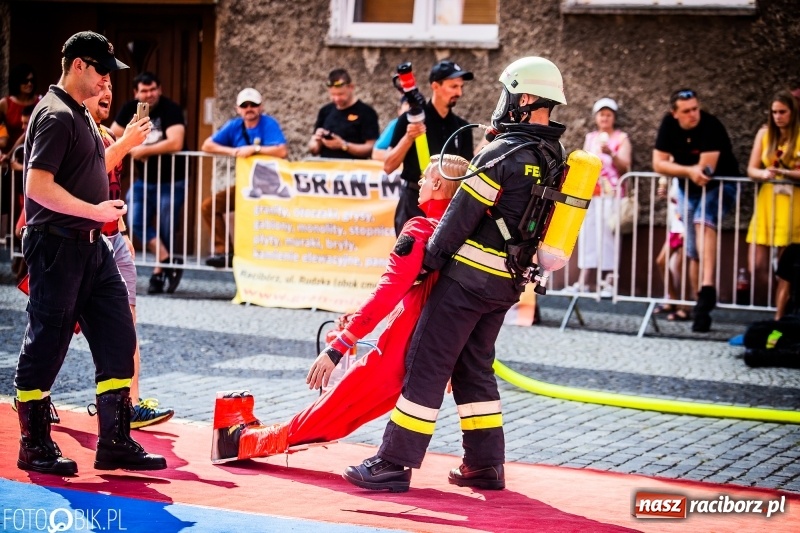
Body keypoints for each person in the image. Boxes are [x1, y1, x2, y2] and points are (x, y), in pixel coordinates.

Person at [343, 56, 568, 493]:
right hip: (507, 284)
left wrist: (424, 264)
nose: (502, 103)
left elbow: (459, 217)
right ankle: (484, 465)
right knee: (474, 368)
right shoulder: (552, 154)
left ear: (523, 98)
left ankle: (393, 463)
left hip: (465, 281)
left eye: (507, 95)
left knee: (426, 363)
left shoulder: (503, 152)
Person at [211, 155, 467, 462]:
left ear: (438, 184)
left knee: (338, 408)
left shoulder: (420, 229)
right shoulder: (465, 238)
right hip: (434, 346)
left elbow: (387, 292)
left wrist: (339, 346)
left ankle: (239, 443)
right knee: (344, 414)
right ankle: (252, 440)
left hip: (400, 344)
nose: (420, 183)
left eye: (425, 177)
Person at [14, 30, 165, 476]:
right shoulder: (57, 114)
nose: (107, 82)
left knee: (119, 335)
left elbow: (90, 168)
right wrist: (95, 209)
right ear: (78, 65)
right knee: (47, 344)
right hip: (57, 244)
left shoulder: (78, 112)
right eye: (102, 71)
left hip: (91, 244)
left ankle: (115, 442)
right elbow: (37, 187)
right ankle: (34, 445)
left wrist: (102, 214)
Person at [87, 81, 175, 428]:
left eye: (109, 88)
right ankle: (31, 392)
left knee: (127, 324)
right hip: (78, 239)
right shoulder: (72, 130)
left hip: (113, 238)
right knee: (57, 326)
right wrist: (127, 143)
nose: (107, 94)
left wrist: (123, 232)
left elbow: (112, 186)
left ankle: (131, 404)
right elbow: (88, 171)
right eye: (99, 87)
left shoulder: (108, 134)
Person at [652, 89, 739, 333]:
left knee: (703, 219)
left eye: (695, 108)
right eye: (687, 111)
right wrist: (687, 172)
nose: (693, 114)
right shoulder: (668, 124)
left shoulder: (711, 126)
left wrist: (682, 170)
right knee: (691, 249)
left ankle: (708, 288)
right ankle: (697, 304)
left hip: (721, 184)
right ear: (675, 113)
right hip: (688, 188)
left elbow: (704, 173)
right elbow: (657, 164)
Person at [111, 72, 186, 295]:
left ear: (159, 89)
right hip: (144, 180)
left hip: (172, 180)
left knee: (166, 225)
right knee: (134, 219)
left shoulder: (170, 109)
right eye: (144, 91)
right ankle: (165, 258)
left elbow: (176, 142)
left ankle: (158, 271)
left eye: (153, 89)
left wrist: (143, 150)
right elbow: (112, 134)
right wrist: (129, 145)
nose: (149, 94)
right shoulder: (129, 109)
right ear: (136, 93)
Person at [385, 59, 475, 235]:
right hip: (413, 201)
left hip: (448, 207)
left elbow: (467, 171)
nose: (459, 92)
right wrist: (409, 137)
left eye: (460, 87)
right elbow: (388, 166)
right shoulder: (409, 119)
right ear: (435, 86)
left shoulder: (462, 127)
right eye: (453, 87)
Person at [200, 87, 288, 268]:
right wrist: (232, 151)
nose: (249, 108)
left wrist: (254, 150)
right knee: (209, 206)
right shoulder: (234, 126)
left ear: (261, 107)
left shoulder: (268, 123)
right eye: (245, 105)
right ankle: (223, 251)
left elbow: (281, 150)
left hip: (269, 188)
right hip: (245, 186)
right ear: (238, 109)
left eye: (253, 104)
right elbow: (207, 145)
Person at [574, 98, 631, 296]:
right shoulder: (591, 137)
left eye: (608, 114)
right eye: (601, 114)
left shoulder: (621, 138)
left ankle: (609, 280)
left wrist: (611, 154)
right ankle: (584, 280)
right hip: (592, 192)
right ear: (596, 117)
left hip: (612, 193)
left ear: (614, 117)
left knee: (608, 236)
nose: (605, 118)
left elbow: (626, 166)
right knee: (588, 234)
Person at [745, 90, 800, 294]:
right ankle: (776, 300)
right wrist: (763, 173)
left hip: (793, 199)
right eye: (774, 112)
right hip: (769, 197)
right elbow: (751, 169)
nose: (778, 116)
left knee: (786, 266)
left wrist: (785, 172)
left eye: (782, 112)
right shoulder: (764, 133)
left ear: (792, 112)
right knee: (756, 264)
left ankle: (782, 308)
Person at [307, 69, 379, 160]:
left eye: (341, 94)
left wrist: (343, 145)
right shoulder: (325, 111)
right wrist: (315, 141)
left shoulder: (366, 112)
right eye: (333, 94)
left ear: (351, 87)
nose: (336, 99)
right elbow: (314, 150)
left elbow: (371, 148)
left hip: (353, 169)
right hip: (327, 167)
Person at [0, 64, 41, 148]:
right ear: (16, 82)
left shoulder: (40, 102)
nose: (29, 84)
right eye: (25, 81)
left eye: (31, 80)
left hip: (33, 152)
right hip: (9, 154)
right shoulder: (5, 103)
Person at [371, 95, 409, 161]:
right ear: (399, 111)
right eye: (407, 103)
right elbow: (376, 153)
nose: (411, 107)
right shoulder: (395, 124)